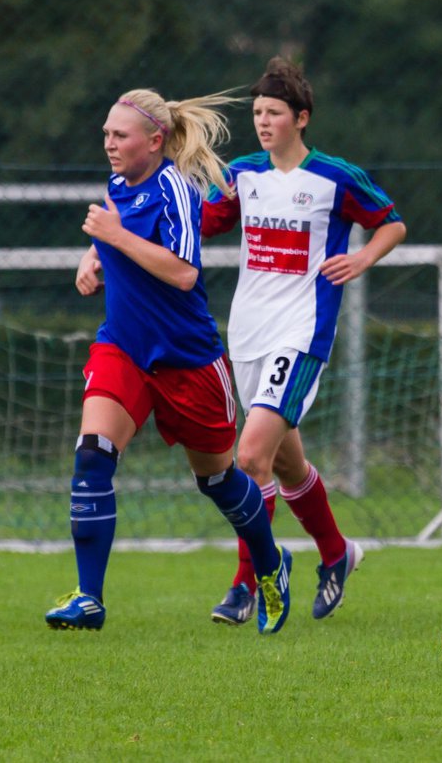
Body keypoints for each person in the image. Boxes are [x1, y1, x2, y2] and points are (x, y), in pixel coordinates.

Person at [44, 88, 292, 634]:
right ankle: (89, 597)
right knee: (92, 455)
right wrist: (93, 258)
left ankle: (271, 565)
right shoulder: (117, 185)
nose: (108, 143)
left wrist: (111, 237)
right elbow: (118, 233)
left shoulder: (176, 189)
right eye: (106, 133)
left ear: (155, 141)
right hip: (125, 351)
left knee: (220, 482)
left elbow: (183, 272)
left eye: (120, 135)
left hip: (188, 362)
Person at [202, 57, 406, 624]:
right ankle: (337, 554)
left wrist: (363, 256)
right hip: (246, 335)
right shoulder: (243, 175)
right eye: (258, 113)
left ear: (302, 118)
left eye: (274, 113)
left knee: (249, 457)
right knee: (286, 467)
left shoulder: (334, 177)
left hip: (302, 333)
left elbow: (392, 220)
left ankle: (250, 583)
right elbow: (196, 222)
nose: (263, 122)